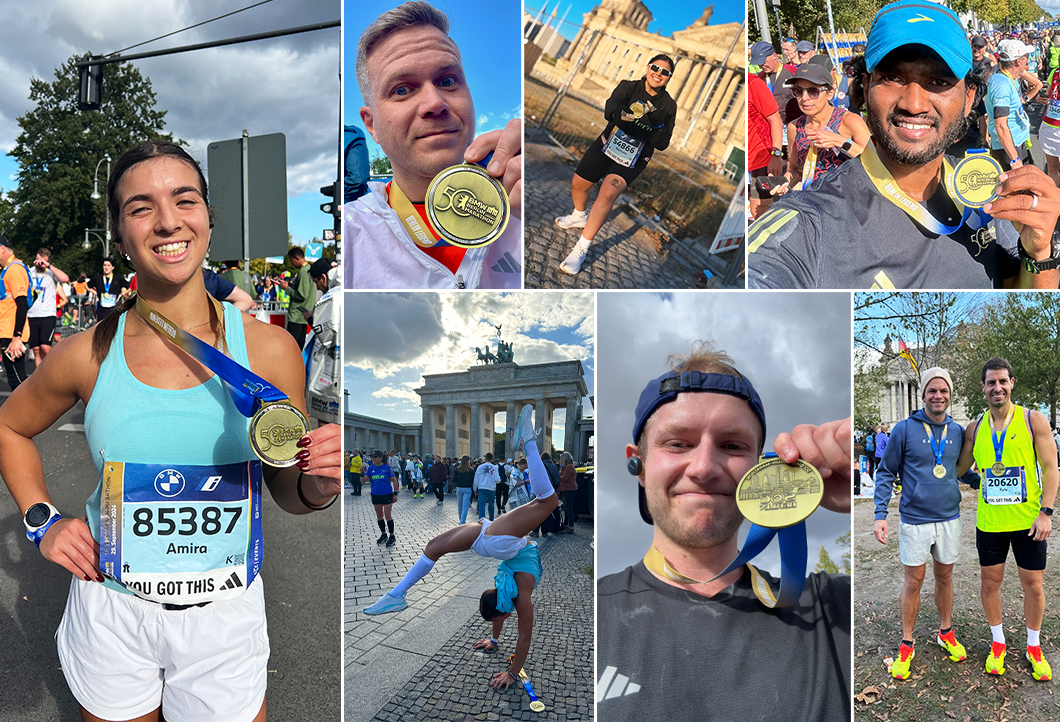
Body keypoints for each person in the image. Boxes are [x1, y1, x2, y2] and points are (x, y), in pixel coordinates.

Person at [0, 141, 341, 722]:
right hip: (112, 611)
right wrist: (42, 523)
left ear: (208, 216)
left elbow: (289, 488)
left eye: (185, 199)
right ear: (118, 234)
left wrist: (317, 484)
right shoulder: (87, 353)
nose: (166, 221)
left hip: (225, 616)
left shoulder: (269, 350)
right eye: (140, 207)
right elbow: (9, 426)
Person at [597, 342, 851, 719]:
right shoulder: (595, 612)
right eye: (678, 443)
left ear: (762, 466)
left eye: (732, 445)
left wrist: (856, 488)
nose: (704, 467)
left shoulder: (830, 609)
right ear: (639, 464)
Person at [748, 0, 1060, 289]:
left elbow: (1012, 286)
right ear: (866, 87)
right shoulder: (807, 227)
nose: (913, 104)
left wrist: (1040, 252)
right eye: (894, 77)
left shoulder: (984, 190)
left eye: (939, 81)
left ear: (968, 100)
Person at [362, 405, 559, 692]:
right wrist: (510, 669)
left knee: (545, 501)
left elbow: (510, 625)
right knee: (546, 501)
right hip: (494, 540)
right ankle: (527, 442)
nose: (500, 622)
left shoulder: (512, 595)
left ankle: (397, 594)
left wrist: (502, 651)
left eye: (497, 623)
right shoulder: (509, 594)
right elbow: (519, 633)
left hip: (498, 541)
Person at [345, 1, 522, 290]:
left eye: (448, 80)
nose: (434, 103)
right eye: (402, 89)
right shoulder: (353, 234)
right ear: (372, 124)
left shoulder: (518, 202)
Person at [957, 357, 1059, 680]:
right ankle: (998, 643)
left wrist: (1046, 512)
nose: (997, 387)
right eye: (991, 382)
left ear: (1012, 383)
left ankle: (1033, 645)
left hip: (1029, 523)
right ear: (983, 388)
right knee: (990, 584)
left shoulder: (1034, 421)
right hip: (990, 524)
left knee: (1034, 585)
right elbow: (958, 469)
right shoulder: (974, 428)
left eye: (1002, 381)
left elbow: (1052, 469)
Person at [873, 368, 970, 679]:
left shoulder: (958, 431)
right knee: (913, 582)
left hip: (949, 518)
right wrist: (879, 515)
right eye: (932, 390)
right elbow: (886, 472)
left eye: (943, 390)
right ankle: (907, 642)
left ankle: (945, 631)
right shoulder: (903, 429)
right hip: (915, 520)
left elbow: (960, 469)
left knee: (945, 578)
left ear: (950, 394)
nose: (938, 395)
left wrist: (988, 483)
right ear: (924, 393)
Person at [554, 54, 678, 275]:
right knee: (578, 184)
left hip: (634, 157)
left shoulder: (668, 106)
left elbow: (663, 142)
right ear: (648, 68)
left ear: (669, 78)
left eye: (664, 72)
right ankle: (578, 215)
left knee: (608, 192)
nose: (658, 73)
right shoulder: (628, 87)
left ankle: (581, 248)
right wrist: (632, 118)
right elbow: (611, 110)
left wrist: (653, 127)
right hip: (607, 144)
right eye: (655, 68)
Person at [782, 64, 870, 189]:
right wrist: (783, 184)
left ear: (830, 93)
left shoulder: (849, 121)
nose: (804, 98)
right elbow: (794, 170)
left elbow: (874, 162)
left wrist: (840, 141)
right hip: (810, 200)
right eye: (798, 91)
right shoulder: (794, 127)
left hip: (845, 199)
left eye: (813, 91)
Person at [985, 40, 1040, 169]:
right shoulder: (1001, 84)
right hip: (1008, 146)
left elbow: (1038, 84)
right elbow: (1001, 126)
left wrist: (1025, 99)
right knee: (1017, 187)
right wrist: (1014, 159)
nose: (1028, 59)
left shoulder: (1006, 75)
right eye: (1026, 56)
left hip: (1016, 139)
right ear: (1018, 61)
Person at [748, 42, 785, 219]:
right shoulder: (758, 77)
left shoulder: (753, 83)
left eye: (764, 60)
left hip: (759, 158)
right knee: (751, 202)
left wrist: (776, 155)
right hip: (747, 158)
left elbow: (775, 118)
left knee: (760, 204)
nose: (762, 64)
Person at [0, 236, 29, 390]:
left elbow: (22, 304)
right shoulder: (7, 270)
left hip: (12, 334)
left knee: (18, 381)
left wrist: (16, 337)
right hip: (7, 332)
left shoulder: (14, 269)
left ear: (2, 249)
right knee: (15, 380)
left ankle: (31, 413)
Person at [277, 247, 314, 349]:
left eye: (291, 260)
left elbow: (302, 295)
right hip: (304, 313)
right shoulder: (310, 269)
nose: (292, 263)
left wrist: (286, 288)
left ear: (296, 258)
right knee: (299, 346)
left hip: (296, 314)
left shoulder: (303, 272)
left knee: (291, 346)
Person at [365, 449, 400, 547]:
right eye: (371, 457)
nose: (373, 459)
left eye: (375, 457)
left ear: (380, 458)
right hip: (375, 494)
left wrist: (395, 493)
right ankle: (383, 534)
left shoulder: (387, 468)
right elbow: (363, 480)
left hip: (387, 494)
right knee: (379, 516)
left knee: (387, 515)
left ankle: (392, 536)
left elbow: (394, 480)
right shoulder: (370, 468)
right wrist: (361, 472)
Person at [86, 257, 129, 322]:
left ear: (112, 267)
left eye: (108, 265)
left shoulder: (118, 278)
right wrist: (93, 292)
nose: (106, 267)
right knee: (101, 329)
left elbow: (131, 287)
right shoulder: (98, 278)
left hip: (114, 309)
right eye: (104, 265)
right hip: (102, 309)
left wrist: (121, 294)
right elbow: (86, 286)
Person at [474, 452, 499, 521]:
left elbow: (476, 479)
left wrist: (475, 488)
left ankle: (481, 519)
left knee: (482, 504)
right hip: (491, 488)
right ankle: (491, 518)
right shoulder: (494, 467)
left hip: (482, 487)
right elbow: (497, 479)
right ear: (492, 459)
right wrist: (498, 481)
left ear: (485, 458)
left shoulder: (480, 467)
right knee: (491, 504)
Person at [557, 451, 577, 533]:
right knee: (566, 508)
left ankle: (570, 527)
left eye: (562, 459)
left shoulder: (569, 467)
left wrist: (557, 475)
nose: (561, 461)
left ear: (566, 459)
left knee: (568, 509)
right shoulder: (568, 467)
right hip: (567, 490)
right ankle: (566, 525)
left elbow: (564, 478)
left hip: (569, 490)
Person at [453, 455, 476, 524]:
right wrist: (474, 489)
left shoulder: (457, 469)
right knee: (465, 506)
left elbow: (454, 480)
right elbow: (473, 481)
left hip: (459, 488)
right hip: (468, 488)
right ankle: (463, 521)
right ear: (468, 461)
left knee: (460, 505)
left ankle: (460, 519)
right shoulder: (471, 470)